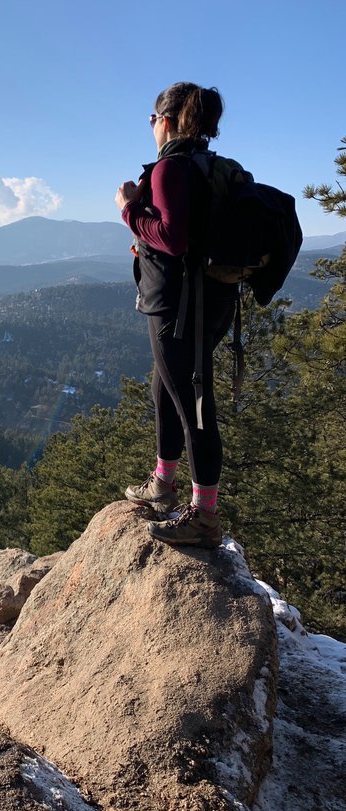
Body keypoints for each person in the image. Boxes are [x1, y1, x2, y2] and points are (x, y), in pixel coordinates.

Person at [115, 81, 237, 547]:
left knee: (194, 407)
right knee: (165, 387)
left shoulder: (170, 168)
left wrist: (129, 210)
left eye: (151, 118)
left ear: (166, 120)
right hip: (211, 302)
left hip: (177, 308)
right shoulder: (210, 168)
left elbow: (172, 237)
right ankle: (164, 482)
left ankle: (204, 517)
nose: (151, 126)